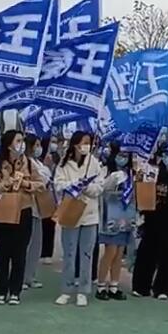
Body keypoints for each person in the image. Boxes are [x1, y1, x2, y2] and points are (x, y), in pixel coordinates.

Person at [0, 130, 43, 306]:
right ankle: (1, 291)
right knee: (2, 254)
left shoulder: (29, 164)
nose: (21, 144)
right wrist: (2, 185)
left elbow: (41, 185)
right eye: (18, 140)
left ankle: (15, 291)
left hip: (23, 211)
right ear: (9, 144)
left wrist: (25, 183)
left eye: (22, 141)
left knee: (19, 254)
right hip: (2, 211)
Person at [53, 131, 107, 307]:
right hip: (70, 212)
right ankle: (67, 289)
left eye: (89, 143)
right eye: (84, 142)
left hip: (90, 214)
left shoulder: (94, 163)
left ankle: (83, 290)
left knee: (86, 253)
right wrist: (73, 185)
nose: (86, 146)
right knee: (69, 253)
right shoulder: (63, 163)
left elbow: (100, 187)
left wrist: (86, 187)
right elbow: (58, 185)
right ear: (75, 144)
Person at [132, 144, 168, 299]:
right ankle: (141, 286)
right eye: (166, 154)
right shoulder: (153, 172)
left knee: (166, 255)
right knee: (146, 252)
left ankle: (162, 289)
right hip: (152, 218)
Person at [97, 145, 138, 301]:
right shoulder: (106, 170)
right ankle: (101, 285)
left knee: (120, 252)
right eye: (120, 155)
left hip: (126, 216)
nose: (123, 158)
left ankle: (114, 285)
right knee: (110, 252)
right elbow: (101, 188)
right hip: (111, 216)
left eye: (125, 156)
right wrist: (112, 180)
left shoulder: (131, 173)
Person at [22, 135, 52, 290]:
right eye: (37, 145)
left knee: (36, 245)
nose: (39, 148)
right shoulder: (25, 162)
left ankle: (30, 276)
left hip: (39, 208)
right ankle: (21, 277)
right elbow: (41, 180)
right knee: (25, 245)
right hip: (28, 207)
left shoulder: (39, 163)